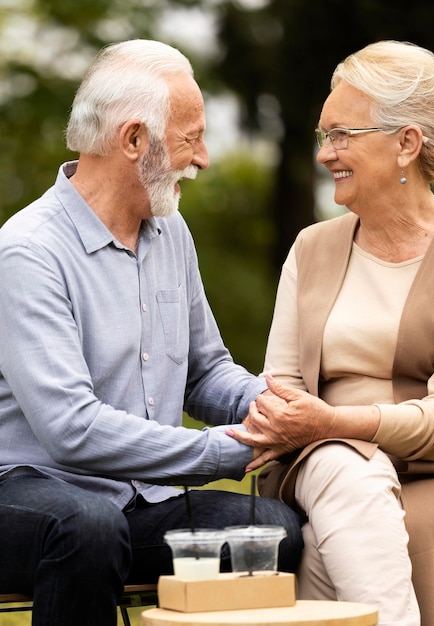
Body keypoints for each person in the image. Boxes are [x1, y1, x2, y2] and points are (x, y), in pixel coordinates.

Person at [0, 39, 303, 626]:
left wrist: (272, 407)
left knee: (272, 532)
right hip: (26, 495)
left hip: (136, 503)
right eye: (191, 139)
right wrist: (227, 450)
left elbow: (205, 370)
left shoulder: (171, 233)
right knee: (87, 526)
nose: (206, 158)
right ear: (134, 139)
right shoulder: (28, 253)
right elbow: (71, 430)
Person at [227, 40, 434, 626]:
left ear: (407, 143)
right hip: (322, 463)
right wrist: (321, 431)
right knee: (344, 480)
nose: (326, 154)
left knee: (377, 526)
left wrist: (333, 422)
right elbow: (282, 388)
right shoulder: (311, 247)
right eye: (324, 135)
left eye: (343, 134)